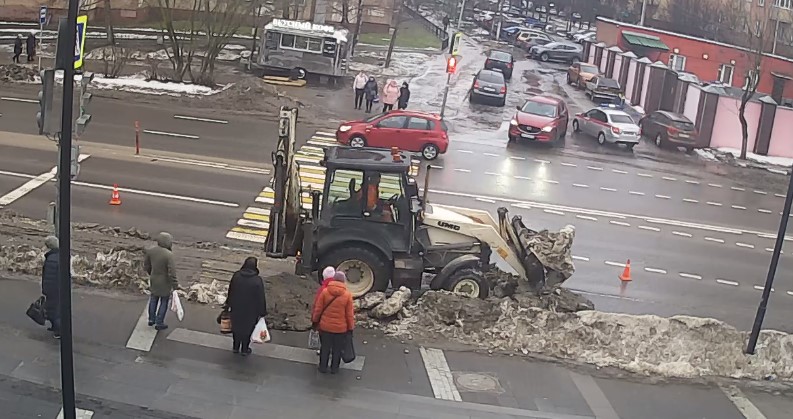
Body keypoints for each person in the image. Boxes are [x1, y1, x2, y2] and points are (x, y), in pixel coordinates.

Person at [312, 271, 354, 374]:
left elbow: (318, 309)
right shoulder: (347, 295)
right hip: (340, 328)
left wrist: (315, 321)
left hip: (325, 326)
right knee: (337, 349)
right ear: (343, 280)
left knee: (325, 347)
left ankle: (323, 367)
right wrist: (350, 328)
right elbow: (349, 315)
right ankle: (334, 368)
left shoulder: (325, 292)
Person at [225, 257, 267, 356]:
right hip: (250, 311)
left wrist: (228, 304)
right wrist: (262, 312)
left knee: (236, 327)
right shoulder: (257, 280)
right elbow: (260, 297)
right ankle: (244, 349)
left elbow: (231, 291)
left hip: (236, 307)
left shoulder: (236, 276)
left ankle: (235, 347)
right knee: (247, 329)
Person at [144, 232, 179, 331]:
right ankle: (159, 322)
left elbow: (146, 265)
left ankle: (151, 319)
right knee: (164, 301)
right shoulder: (169, 255)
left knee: (153, 299)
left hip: (154, 279)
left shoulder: (151, 251)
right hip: (165, 282)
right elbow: (171, 272)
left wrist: (151, 273)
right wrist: (175, 285)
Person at [41, 236, 60, 339]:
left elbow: (48, 277)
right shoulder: (58, 256)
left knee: (54, 310)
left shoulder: (51, 258)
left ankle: (58, 331)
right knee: (53, 309)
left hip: (53, 289)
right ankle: (55, 327)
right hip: (57, 288)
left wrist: (45, 288)